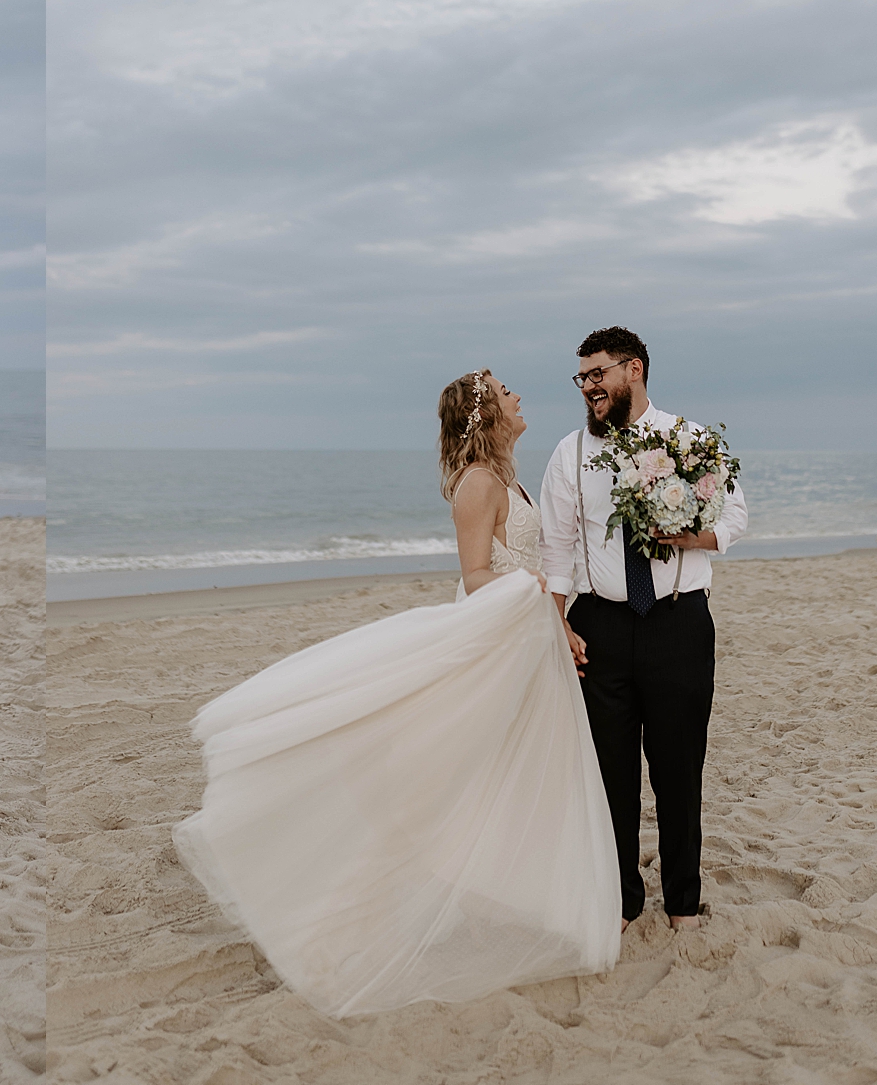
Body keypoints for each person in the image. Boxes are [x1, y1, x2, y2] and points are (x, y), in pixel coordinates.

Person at [171, 368, 617, 1017]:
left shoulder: (511, 475)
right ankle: (341, 917)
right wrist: (546, 612)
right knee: (436, 784)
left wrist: (557, 619)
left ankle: (520, 895)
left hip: (525, 649)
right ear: (484, 413)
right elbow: (475, 574)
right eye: (504, 390)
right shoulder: (479, 483)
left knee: (507, 778)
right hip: (491, 649)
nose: (518, 395)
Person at [539, 327, 748, 934]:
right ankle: (623, 901)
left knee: (680, 769)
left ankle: (683, 903)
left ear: (633, 369)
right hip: (600, 624)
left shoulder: (690, 440)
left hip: (679, 621)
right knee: (610, 776)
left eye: (597, 374)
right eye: (581, 378)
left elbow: (734, 516)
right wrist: (557, 623)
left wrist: (692, 535)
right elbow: (555, 551)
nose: (588, 388)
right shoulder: (569, 454)